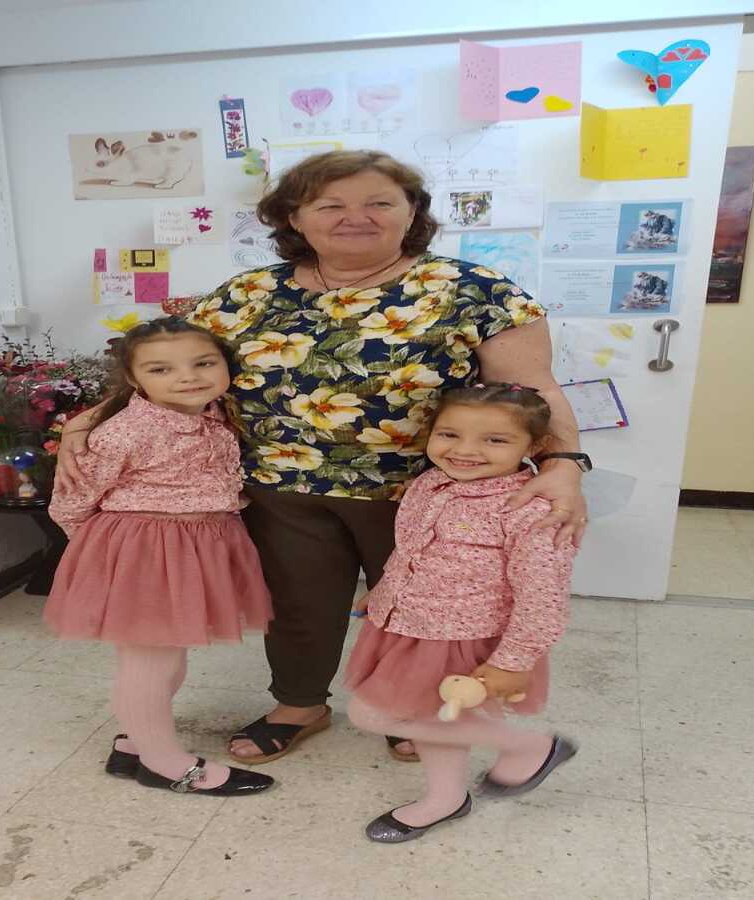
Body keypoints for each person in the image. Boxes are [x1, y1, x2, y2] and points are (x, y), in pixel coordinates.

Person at [58, 150, 589, 765]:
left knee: (429, 610)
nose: (353, 217)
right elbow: (167, 365)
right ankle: (299, 705)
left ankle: (418, 710)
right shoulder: (247, 295)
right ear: (295, 218)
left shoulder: (475, 291)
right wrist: (90, 420)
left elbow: (535, 390)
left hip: (425, 493)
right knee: (298, 606)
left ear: (411, 212)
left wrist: (565, 465)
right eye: (330, 205)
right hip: (280, 487)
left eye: (378, 202)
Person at [44, 317, 276, 797]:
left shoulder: (218, 412)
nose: (187, 377)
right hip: (145, 551)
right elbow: (71, 499)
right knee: (149, 660)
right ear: (134, 379)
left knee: (171, 656)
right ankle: (165, 763)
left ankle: (136, 743)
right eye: (161, 369)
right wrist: (102, 556)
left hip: (200, 543)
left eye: (203, 363)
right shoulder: (124, 432)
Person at [344, 383, 578, 842]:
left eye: (495, 439)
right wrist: (387, 588)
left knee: (371, 715)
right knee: (436, 719)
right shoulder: (430, 484)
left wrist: (514, 660)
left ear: (535, 446)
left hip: (461, 638)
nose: (465, 451)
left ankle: (529, 748)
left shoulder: (530, 511)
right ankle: (445, 798)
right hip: (408, 625)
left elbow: (544, 598)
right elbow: (411, 545)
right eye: (449, 434)